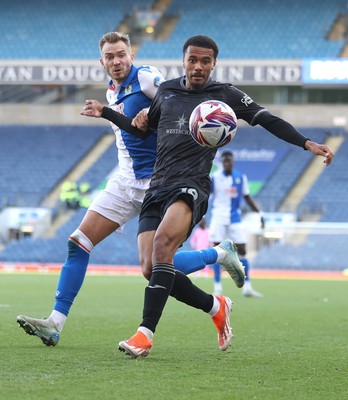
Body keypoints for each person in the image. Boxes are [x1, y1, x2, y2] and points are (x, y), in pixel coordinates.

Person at [86, 34, 333, 358]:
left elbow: (265, 118)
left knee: (162, 247)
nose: (198, 66)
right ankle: (216, 306)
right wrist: (112, 113)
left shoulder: (224, 95)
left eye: (205, 61)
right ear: (184, 61)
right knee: (151, 267)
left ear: (214, 64)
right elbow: (142, 130)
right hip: (156, 185)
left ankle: (144, 335)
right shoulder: (167, 91)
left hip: (192, 185)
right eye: (193, 60)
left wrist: (306, 142)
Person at [16, 32, 242, 347]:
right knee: (78, 241)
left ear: (131, 56)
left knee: (155, 267)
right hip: (125, 181)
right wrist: (107, 112)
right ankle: (55, 323)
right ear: (102, 62)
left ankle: (216, 256)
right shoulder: (112, 92)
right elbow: (131, 129)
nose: (116, 61)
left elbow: (175, 102)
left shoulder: (149, 78)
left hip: (161, 180)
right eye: (110, 57)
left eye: (121, 54)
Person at [209, 150, 264, 297]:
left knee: (243, 251)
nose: (227, 163)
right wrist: (200, 215)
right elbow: (206, 196)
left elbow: (247, 197)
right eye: (225, 161)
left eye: (229, 161)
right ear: (222, 162)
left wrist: (259, 214)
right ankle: (217, 287)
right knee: (215, 252)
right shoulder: (214, 178)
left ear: (233, 162)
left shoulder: (240, 177)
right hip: (218, 218)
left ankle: (247, 287)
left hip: (235, 219)